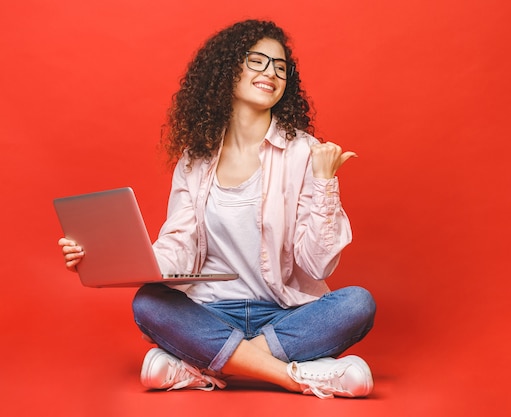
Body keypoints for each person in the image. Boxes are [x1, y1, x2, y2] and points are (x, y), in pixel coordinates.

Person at [58, 19, 376, 399]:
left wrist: (325, 182)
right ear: (228, 69)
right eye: (257, 61)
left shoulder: (305, 152)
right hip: (210, 312)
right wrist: (111, 257)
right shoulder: (195, 160)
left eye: (280, 67)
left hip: (281, 313)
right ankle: (295, 375)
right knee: (149, 302)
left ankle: (198, 367)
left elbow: (318, 265)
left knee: (357, 303)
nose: (270, 73)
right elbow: (179, 244)